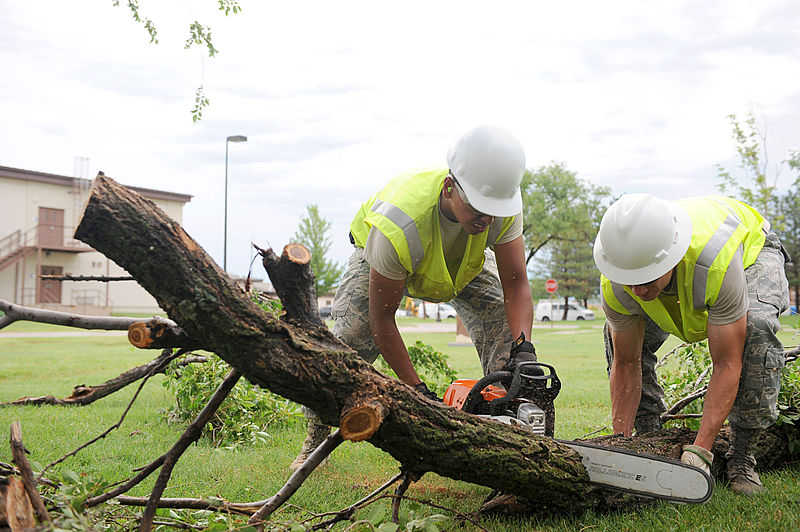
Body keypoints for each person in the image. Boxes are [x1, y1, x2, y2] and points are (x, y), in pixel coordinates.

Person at [290, 125, 537, 470]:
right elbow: (382, 320)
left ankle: (508, 418)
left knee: (500, 316)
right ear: (451, 188)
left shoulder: (500, 205)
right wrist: (417, 392)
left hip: (462, 263)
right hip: (379, 256)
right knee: (345, 345)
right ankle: (316, 435)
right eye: (479, 208)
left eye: (493, 210)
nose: (488, 219)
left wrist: (524, 348)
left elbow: (517, 285)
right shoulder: (398, 225)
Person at [593, 193, 790, 495]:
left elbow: (727, 363)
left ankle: (742, 458)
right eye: (630, 279)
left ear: (669, 257)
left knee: (758, 328)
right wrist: (621, 444)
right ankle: (647, 438)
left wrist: (701, 450)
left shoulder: (715, 263)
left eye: (647, 278)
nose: (638, 289)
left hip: (752, 252)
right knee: (618, 336)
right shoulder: (617, 283)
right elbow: (627, 362)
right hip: (690, 273)